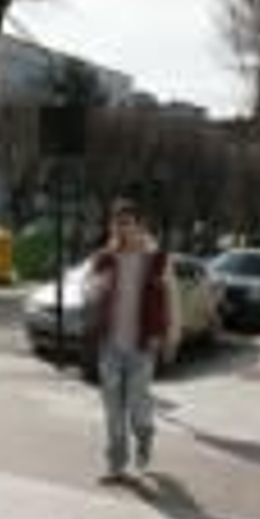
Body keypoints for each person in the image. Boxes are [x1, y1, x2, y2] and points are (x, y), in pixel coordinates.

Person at [84, 200, 177, 482]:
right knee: (112, 408)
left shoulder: (156, 259)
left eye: (127, 223)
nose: (122, 229)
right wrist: (96, 287)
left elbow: (171, 299)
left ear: (139, 225)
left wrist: (171, 335)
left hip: (142, 345)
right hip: (110, 344)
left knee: (138, 404)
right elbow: (88, 292)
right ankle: (116, 464)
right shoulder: (104, 257)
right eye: (117, 223)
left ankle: (145, 436)